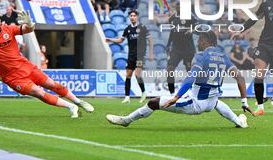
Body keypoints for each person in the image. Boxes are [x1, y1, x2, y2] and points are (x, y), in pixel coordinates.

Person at [0, 12, 94, 118]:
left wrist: (29, 23)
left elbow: (27, 30)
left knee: (52, 84)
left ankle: (79, 101)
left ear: (0, 20)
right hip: (12, 77)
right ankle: (71, 107)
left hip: (26, 66)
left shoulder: (8, 30)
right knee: (39, 93)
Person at [106, 31, 252, 128]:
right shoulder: (224, 57)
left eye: (200, 40)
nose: (197, 43)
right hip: (212, 101)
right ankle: (240, 122)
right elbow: (240, 77)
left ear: (206, 40)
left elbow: (191, 78)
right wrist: (244, 101)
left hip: (196, 103)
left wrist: (176, 97)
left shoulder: (201, 56)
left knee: (153, 102)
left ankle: (126, 121)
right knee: (217, 103)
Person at [231, 0, 273, 116]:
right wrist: (241, 30)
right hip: (265, 44)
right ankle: (260, 107)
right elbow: (254, 18)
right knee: (259, 72)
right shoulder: (267, 3)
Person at [106, 10, 153, 104]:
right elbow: (120, 40)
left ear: (137, 17)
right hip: (131, 55)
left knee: (137, 75)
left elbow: (150, 40)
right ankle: (127, 97)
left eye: (134, 15)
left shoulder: (142, 27)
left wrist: (151, 54)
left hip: (140, 55)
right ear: (129, 17)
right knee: (128, 75)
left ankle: (143, 92)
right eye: (131, 16)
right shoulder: (127, 29)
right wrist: (110, 39)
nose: (132, 17)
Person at [166, 2, 197, 94]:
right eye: (178, 6)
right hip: (176, 49)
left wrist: (192, 30)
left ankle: (193, 92)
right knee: (170, 69)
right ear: (176, 7)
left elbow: (197, 26)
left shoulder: (189, 15)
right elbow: (172, 32)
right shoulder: (172, 19)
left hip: (188, 48)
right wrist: (168, 45)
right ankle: (171, 93)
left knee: (189, 70)